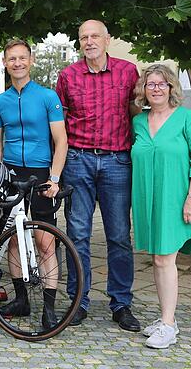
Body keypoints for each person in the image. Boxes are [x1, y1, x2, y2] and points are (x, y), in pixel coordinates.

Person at [55, 19, 140, 330]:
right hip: (78, 161)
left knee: (119, 236)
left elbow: (138, 111)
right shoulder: (67, 76)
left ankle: (121, 303)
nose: (89, 42)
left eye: (94, 36)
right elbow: (59, 123)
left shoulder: (128, 72)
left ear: (107, 40)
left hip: (117, 161)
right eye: (83, 38)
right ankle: (79, 300)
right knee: (77, 234)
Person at [0, 39, 67, 330]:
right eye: (12, 59)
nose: (17, 63)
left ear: (30, 61)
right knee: (12, 238)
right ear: (6, 63)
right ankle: (21, 299)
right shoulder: (0, 101)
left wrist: (55, 178)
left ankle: (49, 307)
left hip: (40, 173)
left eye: (22, 58)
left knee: (46, 241)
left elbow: (61, 142)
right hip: (11, 174)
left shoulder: (47, 97)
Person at [130, 64, 191, 348]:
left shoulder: (188, 119)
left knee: (166, 259)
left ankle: (168, 325)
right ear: (144, 90)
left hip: (176, 199)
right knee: (158, 259)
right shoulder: (139, 122)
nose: (157, 89)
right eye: (151, 84)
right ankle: (166, 319)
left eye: (162, 84)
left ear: (172, 87)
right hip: (146, 199)